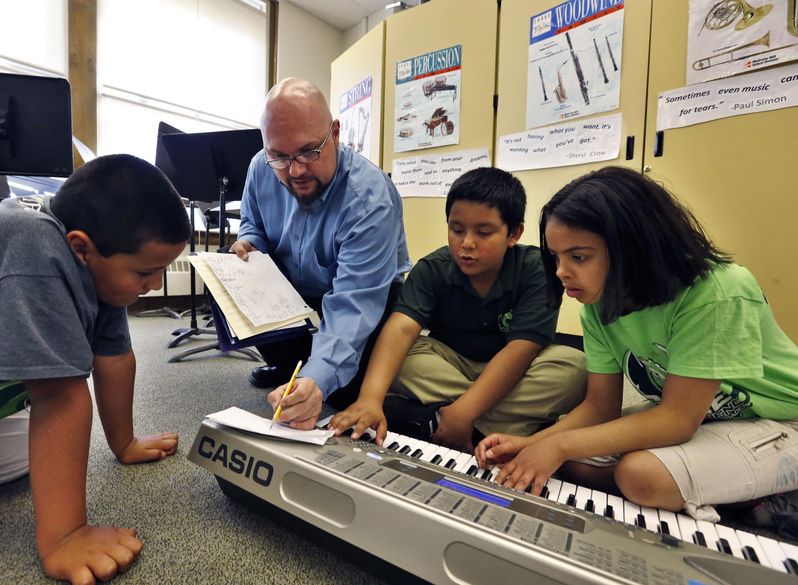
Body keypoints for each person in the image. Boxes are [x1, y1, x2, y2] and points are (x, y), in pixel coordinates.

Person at [0, 154, 190, 584]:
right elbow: (59, 396)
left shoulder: (94, 269)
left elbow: (114, 357)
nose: (155, 285)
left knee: (20, 455)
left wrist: (125, 444)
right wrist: (66, 535)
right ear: (82, 247)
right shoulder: (31, 251)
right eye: (145, 272)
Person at [475, 166, 798, 524]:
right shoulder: (598, 304)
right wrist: (533, 444)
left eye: (578, 257)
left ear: (633, 247)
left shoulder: (717, 291)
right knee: (569, 457)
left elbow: (677, 420)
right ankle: (722, 489)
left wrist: (557, 445)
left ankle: (761, 498)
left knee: (640, 475)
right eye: (555, 257)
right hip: (706, 419)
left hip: (779, 419)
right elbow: (600, 407)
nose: (561, 271)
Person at [331, 167, 586, 452]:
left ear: (513, 233)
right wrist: (370, 398)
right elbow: (401, 328)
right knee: (402, 357)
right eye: (457, 229)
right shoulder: (432, 268)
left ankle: (445, 418)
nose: (466, 244)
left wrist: (464, 412)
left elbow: (520, 351)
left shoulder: (537, 268)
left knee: (575, 368)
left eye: (484, 232)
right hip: (450, 364)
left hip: (517, 368)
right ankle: (507, 424)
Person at [231, 78, 410, 429]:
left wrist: (319, 376)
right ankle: (292, 368)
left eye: (309, 152)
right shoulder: (259, 167)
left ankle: (314, 375)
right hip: (296, 289)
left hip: (367, 295)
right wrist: (249, 242)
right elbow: (253, 222)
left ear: (336, 133)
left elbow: (353, 304)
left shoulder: (368, 199)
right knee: (231, 270)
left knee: (343, 392)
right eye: (280, 156)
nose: (295, 170)